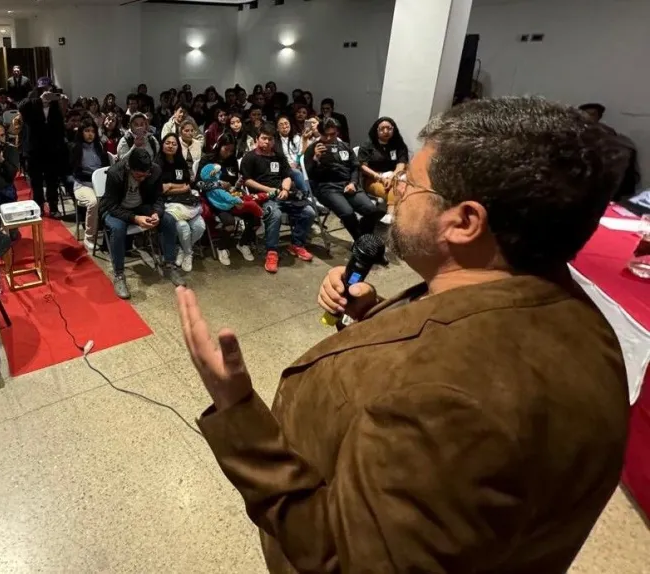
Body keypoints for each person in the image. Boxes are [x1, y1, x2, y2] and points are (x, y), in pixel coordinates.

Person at [177, 95, 631, 573]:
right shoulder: (575, 320)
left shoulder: (449, 403)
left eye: (410, 183)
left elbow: (344, 560)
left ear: (464, 222)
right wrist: (378, 314)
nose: (393, 190)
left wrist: (236, 410)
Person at [100, 149, 184, 299]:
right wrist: (135, 218)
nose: (143, 179)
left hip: (140, 205)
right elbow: (111, 206)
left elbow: (158, 198)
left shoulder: (155, 170)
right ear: (129, 168)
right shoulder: (115, 173)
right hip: (116, 209)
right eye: (138, 175)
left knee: (169, 220)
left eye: (146, 175)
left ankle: (170, 264)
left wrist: (156, 213)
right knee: (118, 229)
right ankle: (119, 274)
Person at [241, 123, 317, 273]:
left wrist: (285, 188)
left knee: (309, 212)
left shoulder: (278, 156)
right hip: (264, 197)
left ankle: (297, 244)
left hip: (284, 194)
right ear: (257, 139)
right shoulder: (249, 157)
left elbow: (287, 175)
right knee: (274, 214)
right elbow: (247, 180)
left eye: (270, 139)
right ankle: (272, 251)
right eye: (264, 138)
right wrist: (269, 190)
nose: (267, 142)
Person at [305, 117, 386, 245]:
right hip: (327, 187)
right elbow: (310, 174)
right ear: (320, 133)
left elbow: (355, 167)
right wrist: (316, 158)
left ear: (337, 132)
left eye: (333, 134)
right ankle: (363, 243)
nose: (329, 138)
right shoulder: (313, 149)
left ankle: (363, 240)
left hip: (348, 184)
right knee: (348, 213)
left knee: (372, 210)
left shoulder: (344, 146)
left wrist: (353, 183)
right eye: (326, 135)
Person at [196, 134, 260, 267]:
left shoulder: (232, 161)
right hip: (214, 199)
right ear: (219, 146)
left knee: (255, 219)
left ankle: (242, 243)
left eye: (232, 150)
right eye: (226, 149)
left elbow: (234, 183)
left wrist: (237, 186)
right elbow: (198, 184)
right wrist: (218, 185)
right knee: (229, 222)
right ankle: (221, 247)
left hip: (232, 195)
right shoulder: (207, 160)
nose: (228, 153)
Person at [159, 134, 204, 274]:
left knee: (200, 227)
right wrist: (178, 187)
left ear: (178, 147)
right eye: (168, 143)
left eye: (174, 143)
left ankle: (183, 250)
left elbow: (187, 185)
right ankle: (188, 253)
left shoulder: (181, 162)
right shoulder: (157, 164)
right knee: (183, 228)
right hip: (169, 204)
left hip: (187, 201)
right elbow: (161, 190)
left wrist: (172, 186)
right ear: (162, 144)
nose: (171, 146)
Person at [70, 119, 110, 252]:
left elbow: (105, 167)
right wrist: (94, 177)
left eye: (92, 131)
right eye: (87, 131)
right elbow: (76, 172)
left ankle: (110, 235)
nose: (90, 134)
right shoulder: (76, 148)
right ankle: (89, 238)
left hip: (100, 185)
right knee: (93, 202)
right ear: (81, 132)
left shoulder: (99, 146)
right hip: (83, 185)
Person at [358, 116, 409, 204]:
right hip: (373, 179)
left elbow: (401, 164)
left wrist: (392, 177)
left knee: (407, 191)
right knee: (395, 192)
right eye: (382, 129)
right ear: (376, 130)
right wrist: (380, 177)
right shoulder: (368, 145)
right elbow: (363, 167)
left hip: (395, 176)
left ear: (394, 129)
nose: (386, 131)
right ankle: (390, 215)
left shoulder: (398, 144)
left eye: (389, 128)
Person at [276, 116, 308, 195]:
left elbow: (301, 152)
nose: (284, 126)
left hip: (298, 165)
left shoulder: (296, 137)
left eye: (286, 123)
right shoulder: (275, 141)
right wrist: (288, 165)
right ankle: (307, 194)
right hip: (284, 167)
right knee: (296, 172)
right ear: (277, 128)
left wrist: (297, 162)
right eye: (281, 124)